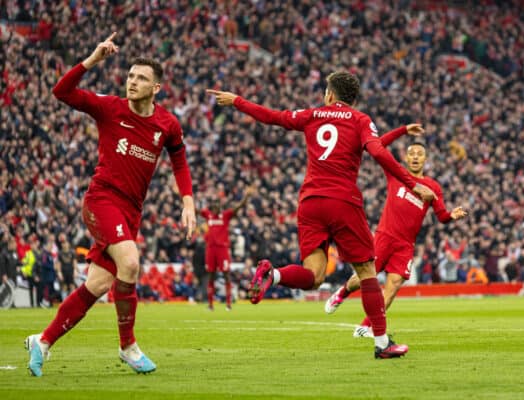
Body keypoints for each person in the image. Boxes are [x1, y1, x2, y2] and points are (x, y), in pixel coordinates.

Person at [207, 71, 436, 359]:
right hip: (342, 201)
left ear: (329, 94)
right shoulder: (361, 120)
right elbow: (378, 152)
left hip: (310, 201)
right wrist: (412, 182)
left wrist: (238, 101)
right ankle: (382, 345)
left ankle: (273, 274)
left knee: (314, 275)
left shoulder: (312, 115)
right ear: (353, 98)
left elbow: (273, 116)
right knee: (367, 272)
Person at [25, 32, 196, 376]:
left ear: (156, 88)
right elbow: (61, 92)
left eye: (141, 78)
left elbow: (179, 161)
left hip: (131, 211)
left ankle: (42, 341)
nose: (132, 82)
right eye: (130, 76)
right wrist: (91, 59)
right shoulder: (109, 107)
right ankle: (127, 346)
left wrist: (188, 202)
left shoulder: (167, 124)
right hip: (101, 200)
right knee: (130, 263)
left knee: (99, 284)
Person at [324, 137, 468, 338]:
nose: (416, 157)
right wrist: (402, 131)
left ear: (425, 159)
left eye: (420, 154)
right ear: (406, 158)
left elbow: (441, 216)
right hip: (385, 237)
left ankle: (366, 327)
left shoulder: (432, 187)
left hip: (405, 245)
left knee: (392, 287)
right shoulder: (396, 174)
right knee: (364, 278)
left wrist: (451, 216)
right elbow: (379, 146)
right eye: (412, 154)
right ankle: (342, 293)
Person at [199, 186, 254, 311]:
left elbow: (238, 208)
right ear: (212, 208)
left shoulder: (225, 215)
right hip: (210, 249)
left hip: (222, 249)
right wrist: (183, 196)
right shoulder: (208, 216)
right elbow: (195, 210)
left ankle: (228, 303)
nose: (216, 208)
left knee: (226, 275)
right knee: (211, 275)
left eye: (218, 206)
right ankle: (210, 304)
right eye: (214, 206)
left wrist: (246, 197)